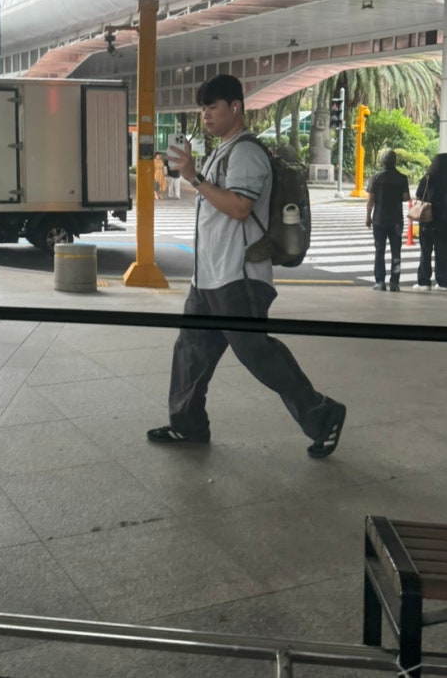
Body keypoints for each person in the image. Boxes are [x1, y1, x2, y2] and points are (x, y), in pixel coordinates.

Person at [147, 74, 346, 459]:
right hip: (209, 278)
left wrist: (194, 177)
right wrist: (192, 175)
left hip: (238, 278)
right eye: (202, 108)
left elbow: (239, 207)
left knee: (257, 353)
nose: (205, 114)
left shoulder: (247, 153)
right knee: (191, 351)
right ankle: (187, 424)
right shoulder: (222, 151)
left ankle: (323, 414)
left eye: (212, 106)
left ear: (235, 107)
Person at [365, 150, 410, 292]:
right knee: (396, 252)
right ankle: (394, 283)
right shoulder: (402, 178)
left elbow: (370, 200)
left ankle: (380, 282)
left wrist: (368, 217)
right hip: (396, 219)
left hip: (379, 219)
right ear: (395, 161)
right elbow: (406, 197)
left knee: (379, 250)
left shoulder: (376, 178)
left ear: (382, 161)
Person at [413, 153, 447, 291]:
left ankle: (424, 282)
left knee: (425, 251)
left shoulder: (428, 178)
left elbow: (419, 195)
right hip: (444, 221)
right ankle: (443, 282)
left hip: (428, 219)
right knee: (443, 251)